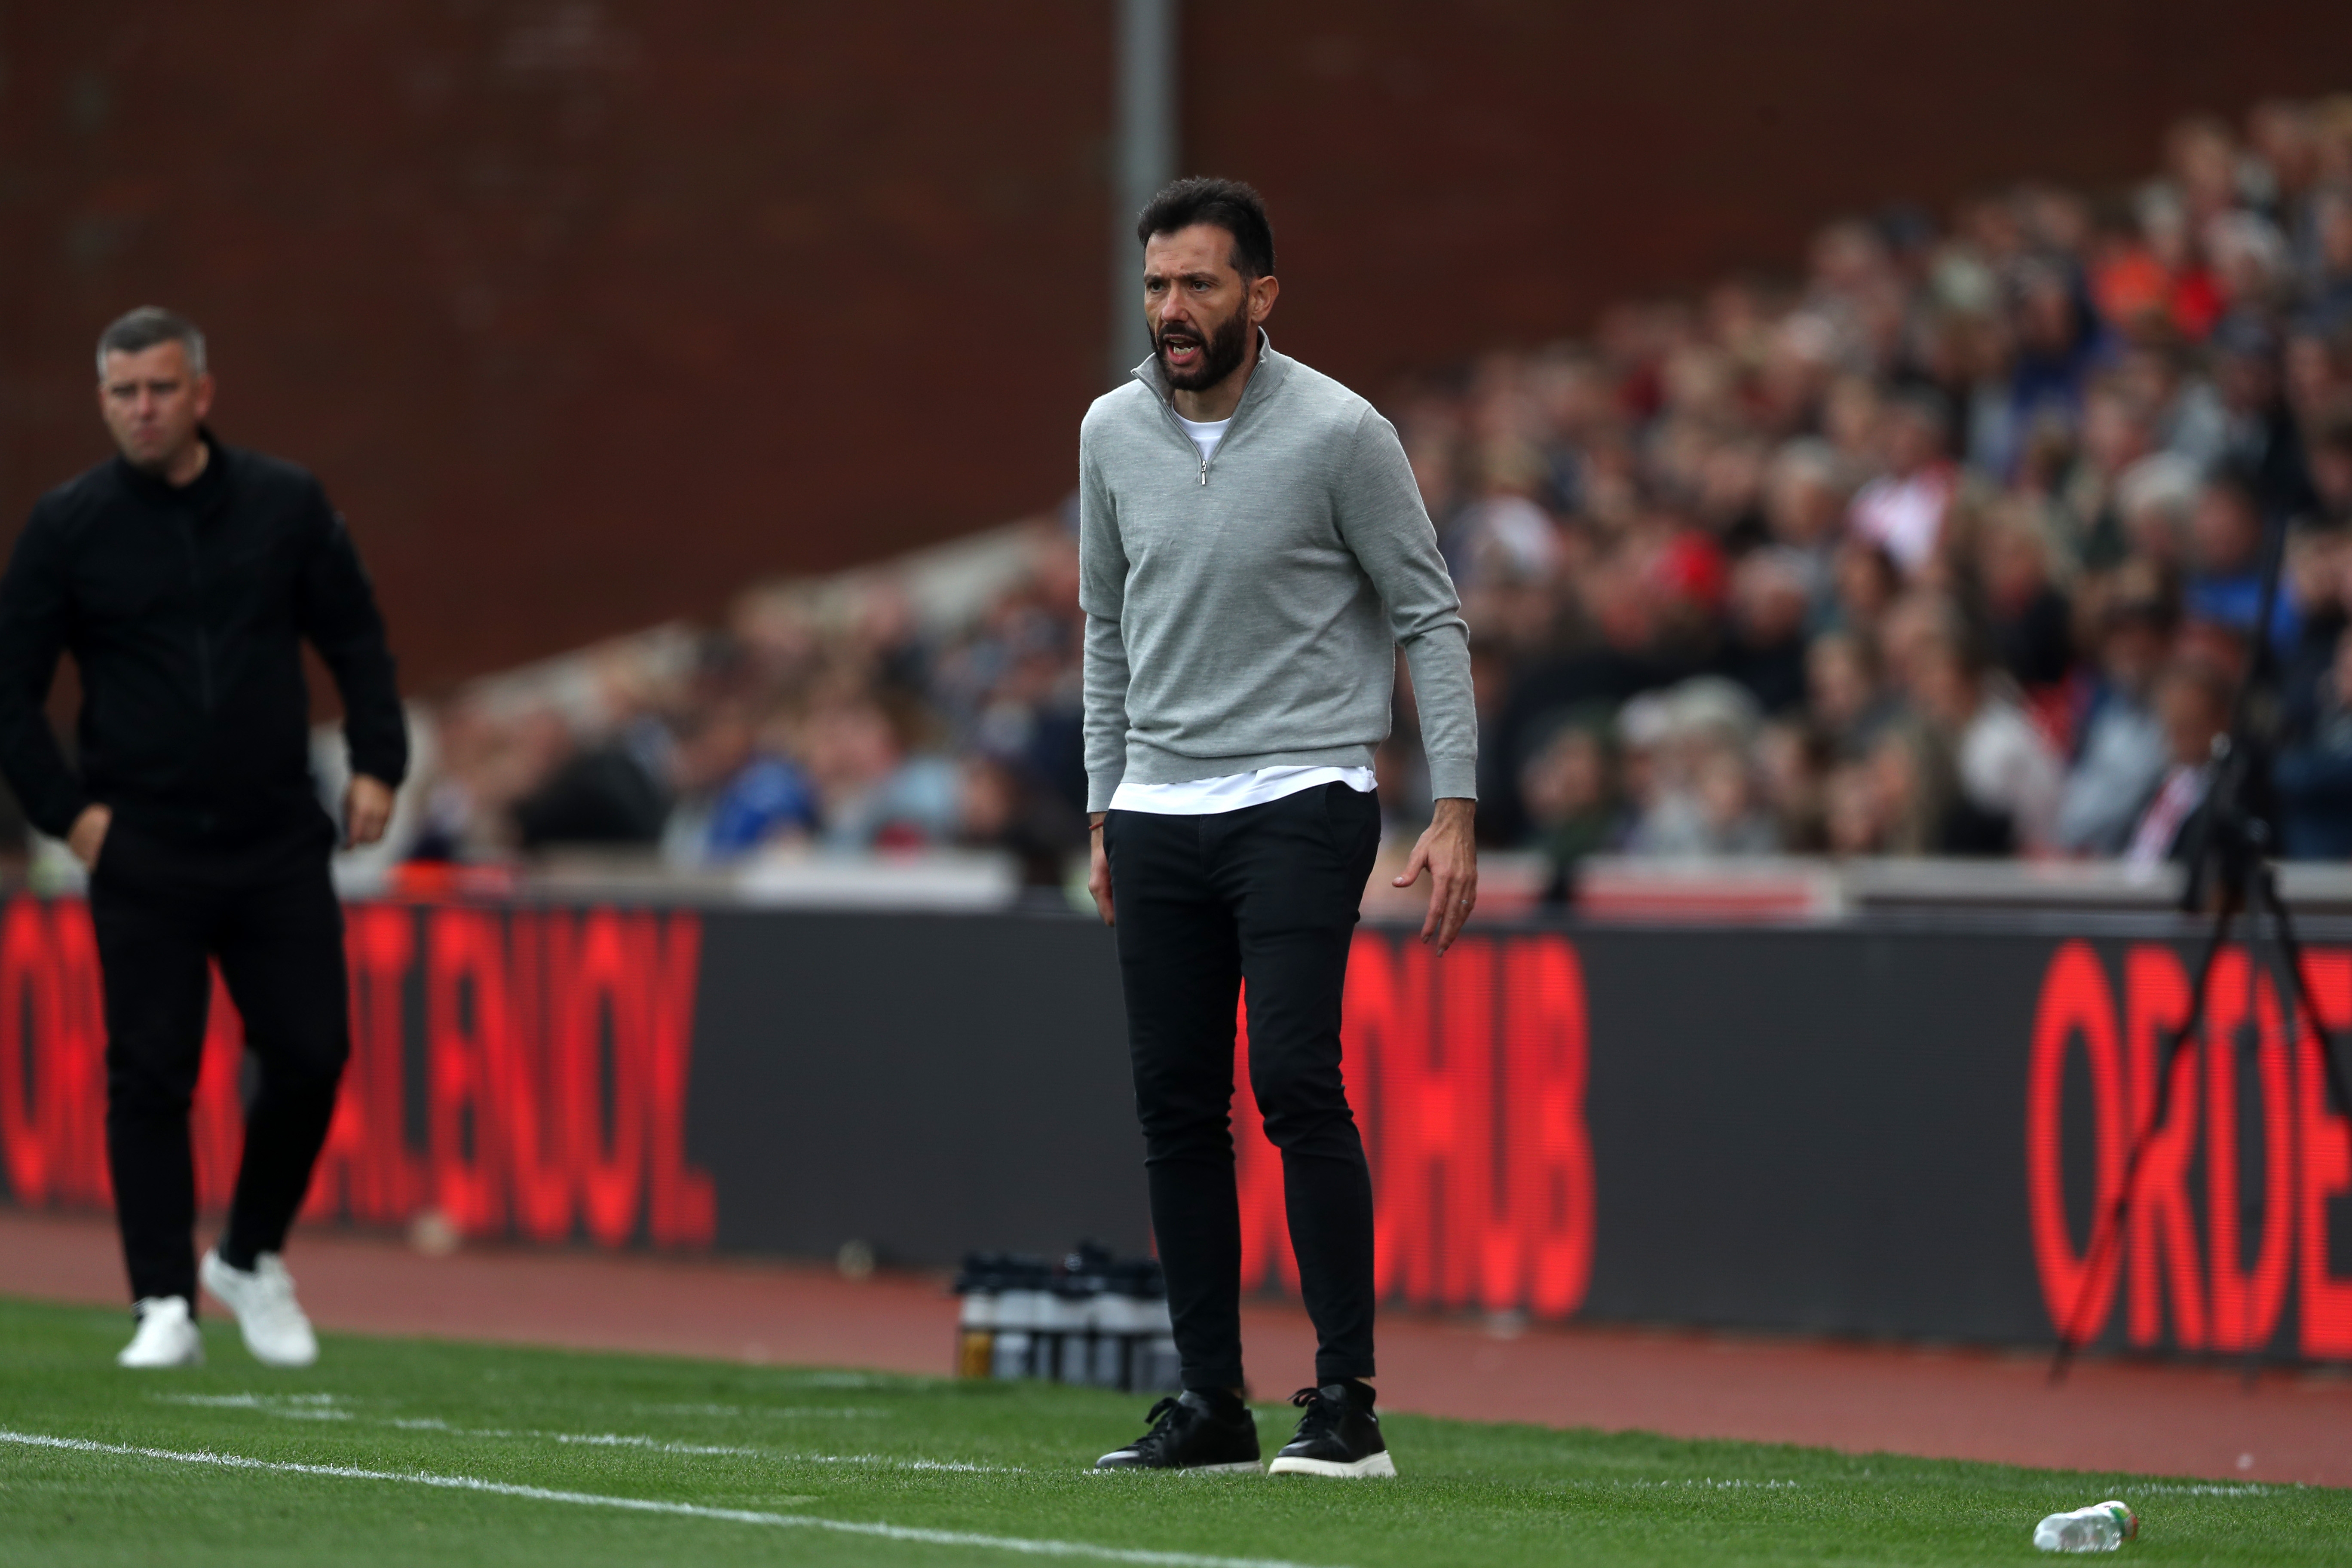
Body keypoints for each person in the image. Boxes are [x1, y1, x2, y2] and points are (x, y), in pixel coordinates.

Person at [1080, 179, 1476, 1478]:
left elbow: (1429, 613)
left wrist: (1456, 804)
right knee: (1175, 1108)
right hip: (1156, 807)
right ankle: (1211, 1405)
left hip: (1304, 793)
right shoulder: (1109, 433)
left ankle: (1346, 1405)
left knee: (1297, 1080)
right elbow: (1103, 630)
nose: (1171, 311)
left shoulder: (1342, 433)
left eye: (1197, 284)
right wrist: (1104, 801)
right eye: (1155, 286)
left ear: (1262, 294)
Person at [0, 308, 406, 1368]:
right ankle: (161, 1301)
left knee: (314, 1053)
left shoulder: (284, 503)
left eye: (163, 389)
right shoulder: (69, 526)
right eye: (124, 392)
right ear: (102, 401)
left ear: (203, 394)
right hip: (143, 845)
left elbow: (354, 633)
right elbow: (9, 692)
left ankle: (250, 1254)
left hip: (276, 834)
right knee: (151, 1072)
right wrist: (70, 814)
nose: (144, 409)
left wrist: (379, 760)